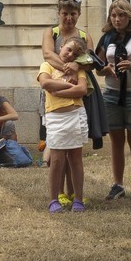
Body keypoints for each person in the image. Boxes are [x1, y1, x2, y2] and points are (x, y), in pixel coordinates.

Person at [96, 0, 131, 200]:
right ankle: (117, 184)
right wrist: (106, 69)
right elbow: (98, 65)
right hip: (111, 94)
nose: (117, 19)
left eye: (121, 15)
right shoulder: (107, 37)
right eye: (114, 15)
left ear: (129, 16)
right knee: (116, 140)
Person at [39, 36, 92, 211]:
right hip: (55, 118)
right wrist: (66, 85)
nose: (70, 54)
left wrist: (58, 90)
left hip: (75, 115)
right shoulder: (47, 65)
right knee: (57, 159)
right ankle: (53, 199)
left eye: (75, 53)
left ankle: (78, 198)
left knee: (76, 158)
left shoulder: (78, 71)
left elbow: (82, 89)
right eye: (68, 49)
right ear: (60, 46)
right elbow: (45, 82)